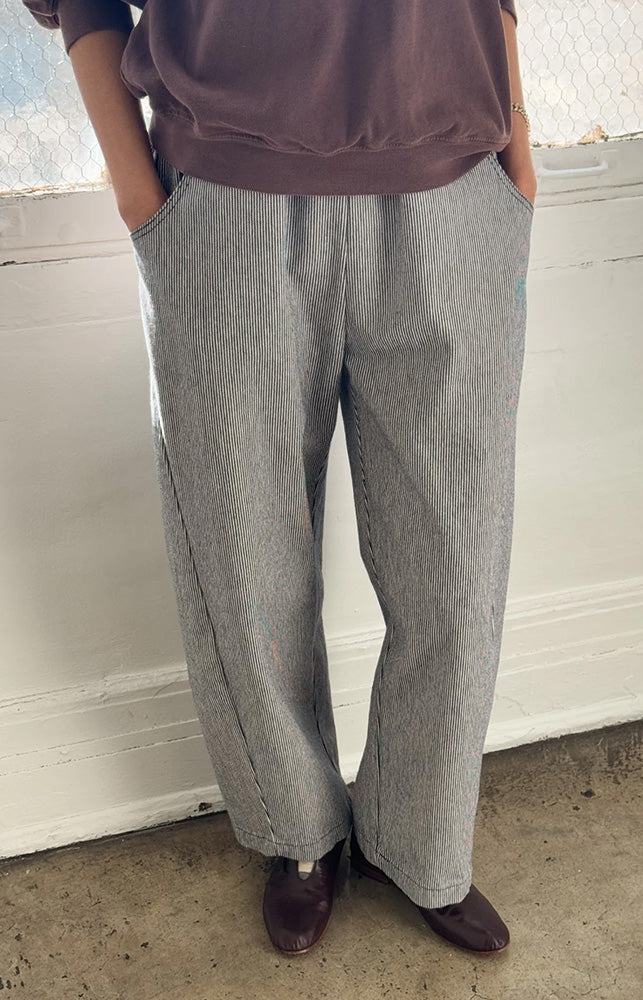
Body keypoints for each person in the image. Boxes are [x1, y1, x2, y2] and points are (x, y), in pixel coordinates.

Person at [23, 0, 537, 958]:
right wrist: (137, 186)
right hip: (226, 198)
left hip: (456, 187)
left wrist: (516, 141)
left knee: (459, 567)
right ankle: (297, 831)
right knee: (245, 560)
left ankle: (418, 843)